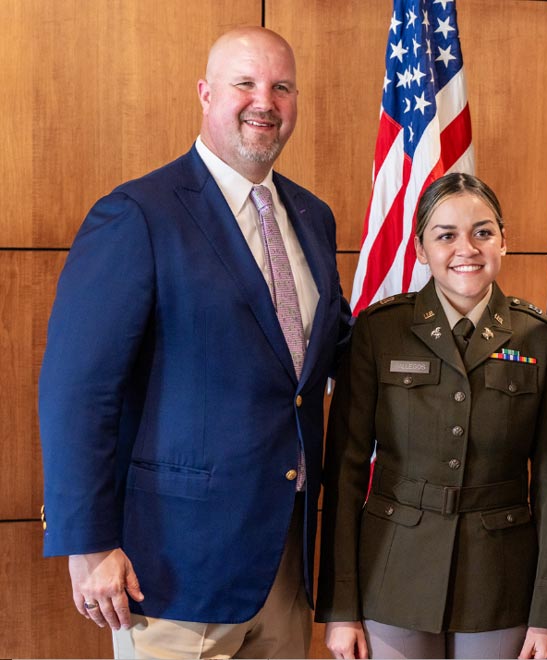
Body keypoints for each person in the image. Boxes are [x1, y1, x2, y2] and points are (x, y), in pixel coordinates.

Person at [38, 26, 351, 659]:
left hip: (285, 565)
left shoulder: (313, 218)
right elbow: (78, 389)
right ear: (206, 94)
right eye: (245, 83)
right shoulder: (138, 214)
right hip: (171, 569)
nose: (264, 101)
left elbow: (325, 352)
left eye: (281, 87)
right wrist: (89, 544)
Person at [315, 173, 547, 660]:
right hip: (392, 571)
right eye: (446, 234)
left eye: (482, 232)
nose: (467, 249)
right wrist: (341, 606)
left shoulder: (539, 337)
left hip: (499, 578)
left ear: (504, 240)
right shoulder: (380, 330)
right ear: (419, 248)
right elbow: (346, 472)